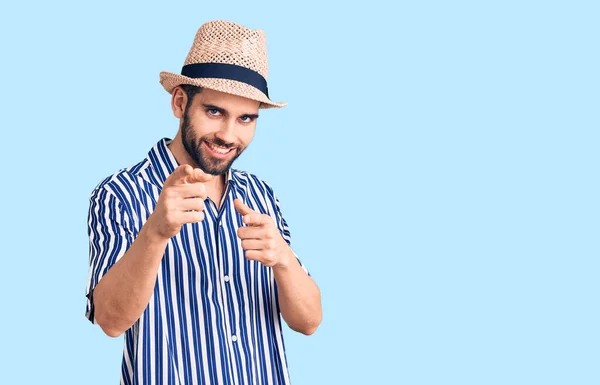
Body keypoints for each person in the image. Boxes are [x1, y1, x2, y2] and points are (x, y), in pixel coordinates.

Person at [85, 20, 322, 385]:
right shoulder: (120, 193)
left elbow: (308, 322)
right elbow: (111, 322)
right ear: (180, 102)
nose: (229, 135)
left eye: (246, 118)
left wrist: (284, 260)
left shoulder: (261, 196)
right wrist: (156, 233)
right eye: (215, 112)